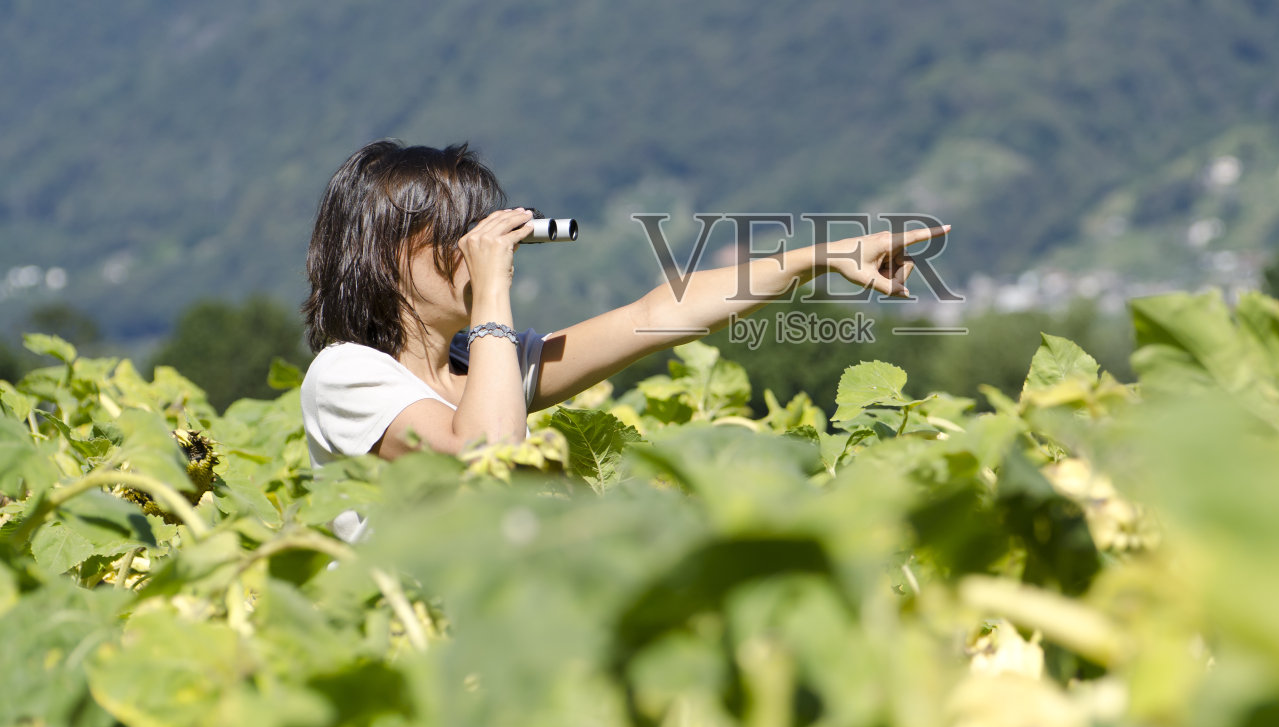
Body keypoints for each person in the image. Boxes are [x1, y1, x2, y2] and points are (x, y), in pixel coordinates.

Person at [300, 140, 949, 473]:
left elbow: (660, 314)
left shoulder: (483, 366)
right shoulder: (348, 375)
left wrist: (819, 257)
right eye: (455, 235)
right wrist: (493, 291)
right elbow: (483, 452)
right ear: (382, 254)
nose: (476, 250)